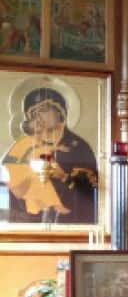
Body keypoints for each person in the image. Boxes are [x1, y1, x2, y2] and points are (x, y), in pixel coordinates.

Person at [2, 87, 98, 224]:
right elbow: (9, 182)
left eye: (44, 109)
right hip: (32, 222)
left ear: (60, 111)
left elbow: (89, 190)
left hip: (71, 224)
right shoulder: (27, 145)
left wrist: (63, 176)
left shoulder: (78, 147)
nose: (38, 117)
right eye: (33, 114)